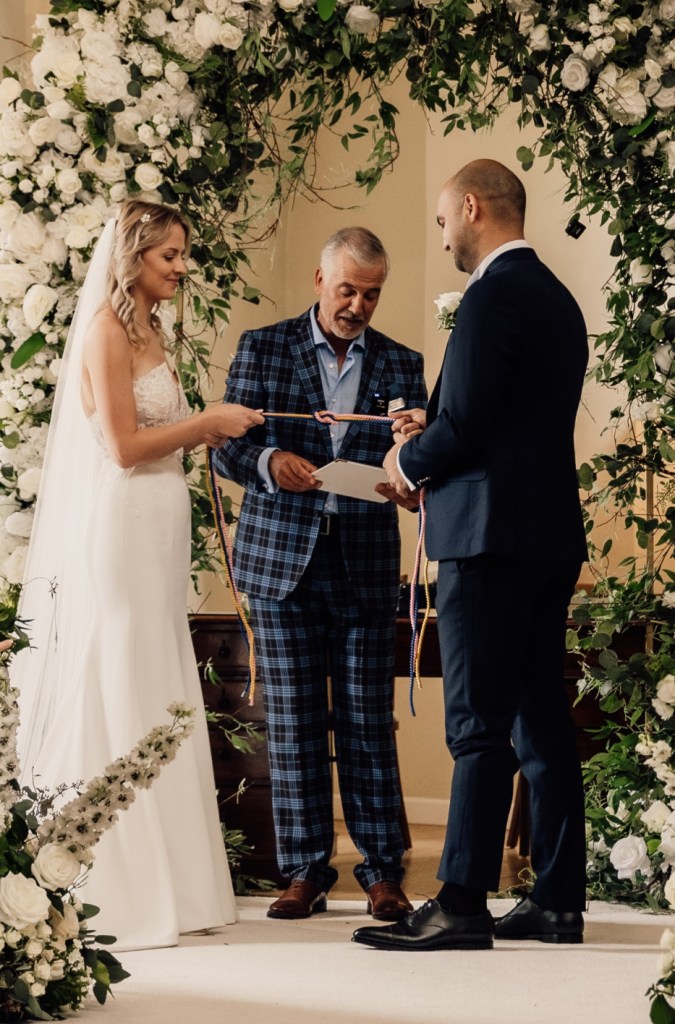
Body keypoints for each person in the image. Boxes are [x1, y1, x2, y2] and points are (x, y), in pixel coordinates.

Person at [12, 200, 264, 949]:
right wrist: (210, 422)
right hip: (122, 523)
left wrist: (203, 433)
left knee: (156, 673)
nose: (181, 268)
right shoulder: (104, 333)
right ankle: (112, 879)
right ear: (131, 260)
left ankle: (179, 882)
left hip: (157, 522)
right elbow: (123, 445)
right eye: (168, 257)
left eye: (183, 254)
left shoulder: (152, 330)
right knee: (122, 669)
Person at [352, 159, 589, 951]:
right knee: (539, 722)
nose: (444, 234)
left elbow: (472, 428)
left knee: (476, 725)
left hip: (487, 540)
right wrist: (438, 436)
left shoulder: (491, 296)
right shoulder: (554, 298)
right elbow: (511, 421)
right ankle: (557, 901)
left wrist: (407, 463)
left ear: (469, 204)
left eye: (444, 220)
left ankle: (459, 903)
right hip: (545, 535)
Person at [213, 227, 427, 921]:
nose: (357, 305)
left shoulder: (403, 363)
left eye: (370, 294)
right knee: (294, 721)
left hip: (364, 565)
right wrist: (270, 464)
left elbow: (419, 460)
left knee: (367, 723)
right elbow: (226, 450)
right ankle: (303, 871)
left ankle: (382, 873)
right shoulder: (262, 347)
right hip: (281, 567)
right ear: (317, 280)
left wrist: (408, 467)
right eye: (346, 290)